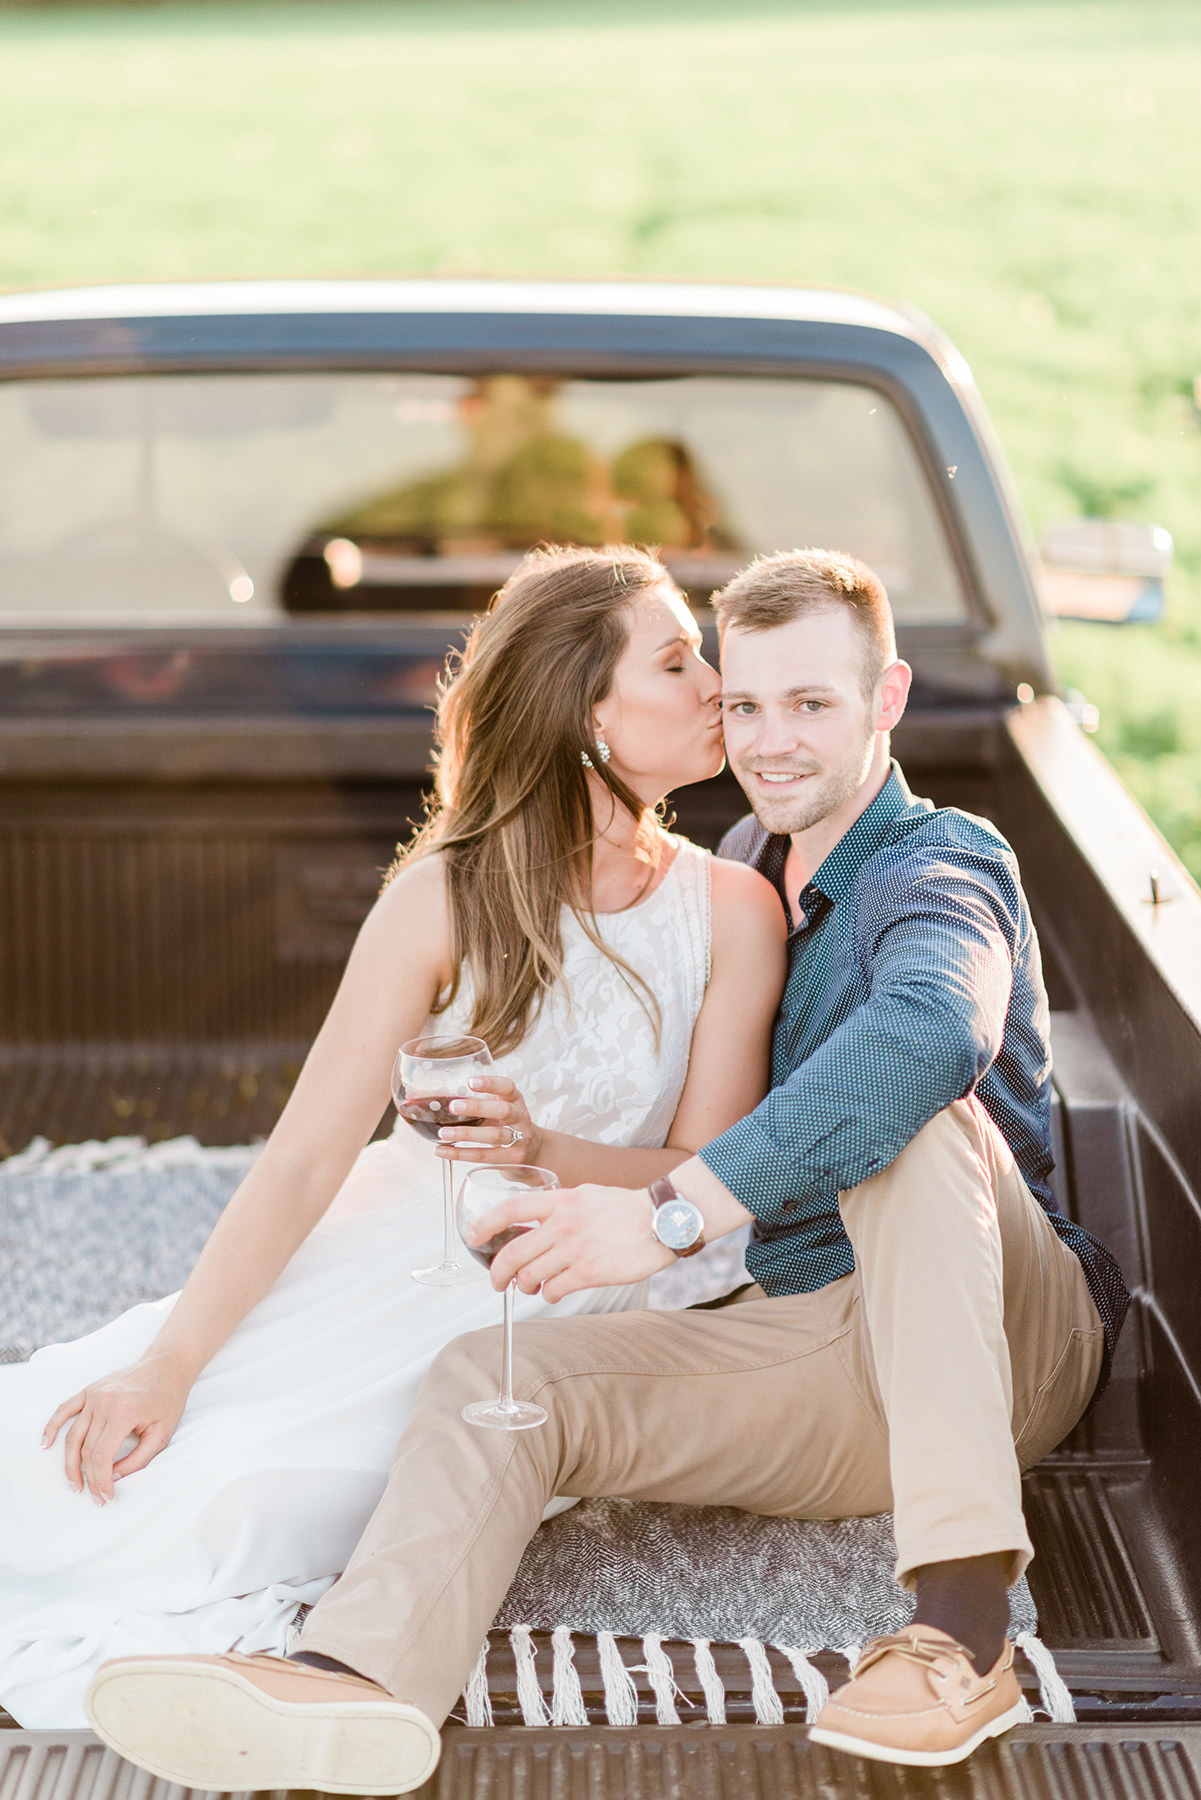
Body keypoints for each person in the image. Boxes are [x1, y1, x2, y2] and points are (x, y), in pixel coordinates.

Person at [82, 549, 1130, 1783]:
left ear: (887, 700)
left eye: (812, 705)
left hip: (1005, 1341)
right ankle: (354, 1684)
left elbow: (928, 1037)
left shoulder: (940, 866)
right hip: (813, 1344)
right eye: (741, 701)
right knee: (495, 1377)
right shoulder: (748, 856)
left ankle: (960, 1637)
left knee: (914, 1123)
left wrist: (672, 1215)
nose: (768, 738)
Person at [0, 545, 786, 1731]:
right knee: (68, 1441)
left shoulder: (733, 909)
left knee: (232, 1494)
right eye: (679, 661)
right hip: (387, 1247)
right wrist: (169, 1360)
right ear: (586, 714)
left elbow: (707, 1176)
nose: (718, 685)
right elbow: (307, 1157)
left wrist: (545, 1148)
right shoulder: (440, 897)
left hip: (571, 1281)